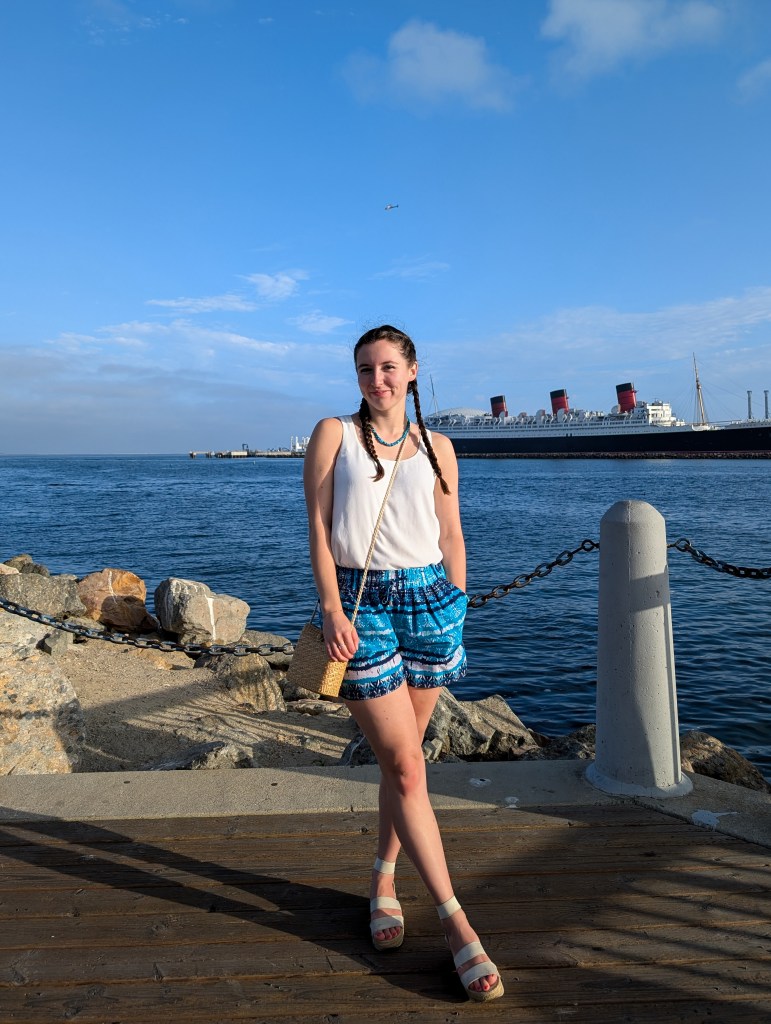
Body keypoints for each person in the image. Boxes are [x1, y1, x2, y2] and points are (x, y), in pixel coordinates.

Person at [302, 324, 504, 1003]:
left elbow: (451, 533)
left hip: (431, 603)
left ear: (412, 371)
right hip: (364, 606)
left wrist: (458, 600)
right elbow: (319, 526)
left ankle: (384, 876)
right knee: (409, 765)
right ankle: (456, 924)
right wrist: (331, 608)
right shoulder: (334, 432)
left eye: (388, 368)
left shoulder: (438, 446)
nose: (376, 380)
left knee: (403, 761)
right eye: (365, 369)